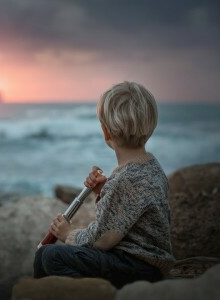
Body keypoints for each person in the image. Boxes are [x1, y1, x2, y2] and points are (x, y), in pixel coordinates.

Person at [34, 81, 175, 288]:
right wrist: (104, 190)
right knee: (48, 257)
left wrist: (68, 234)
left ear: (106, 132)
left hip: (135, 267)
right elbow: (128, 211)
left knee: (49, 256)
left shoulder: (125, 180)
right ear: (150, 128)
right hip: (149, 265)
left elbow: (102, 239)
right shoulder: (153, 168)